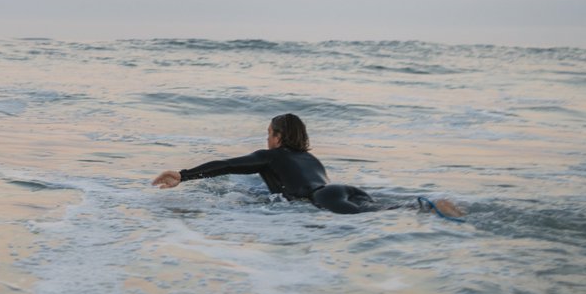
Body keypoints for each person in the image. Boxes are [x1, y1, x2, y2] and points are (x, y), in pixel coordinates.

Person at [152, 113, 465, 218]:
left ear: (277, 137)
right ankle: (428, 205)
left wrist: (184, 175)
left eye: (269, 134)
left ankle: (431, 206)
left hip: (324, 198)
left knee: (379, 215)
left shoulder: (271, 155)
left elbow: (228, 165)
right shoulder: (311, 158)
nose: (267, 138)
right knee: (383, 208)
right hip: (341, 190)